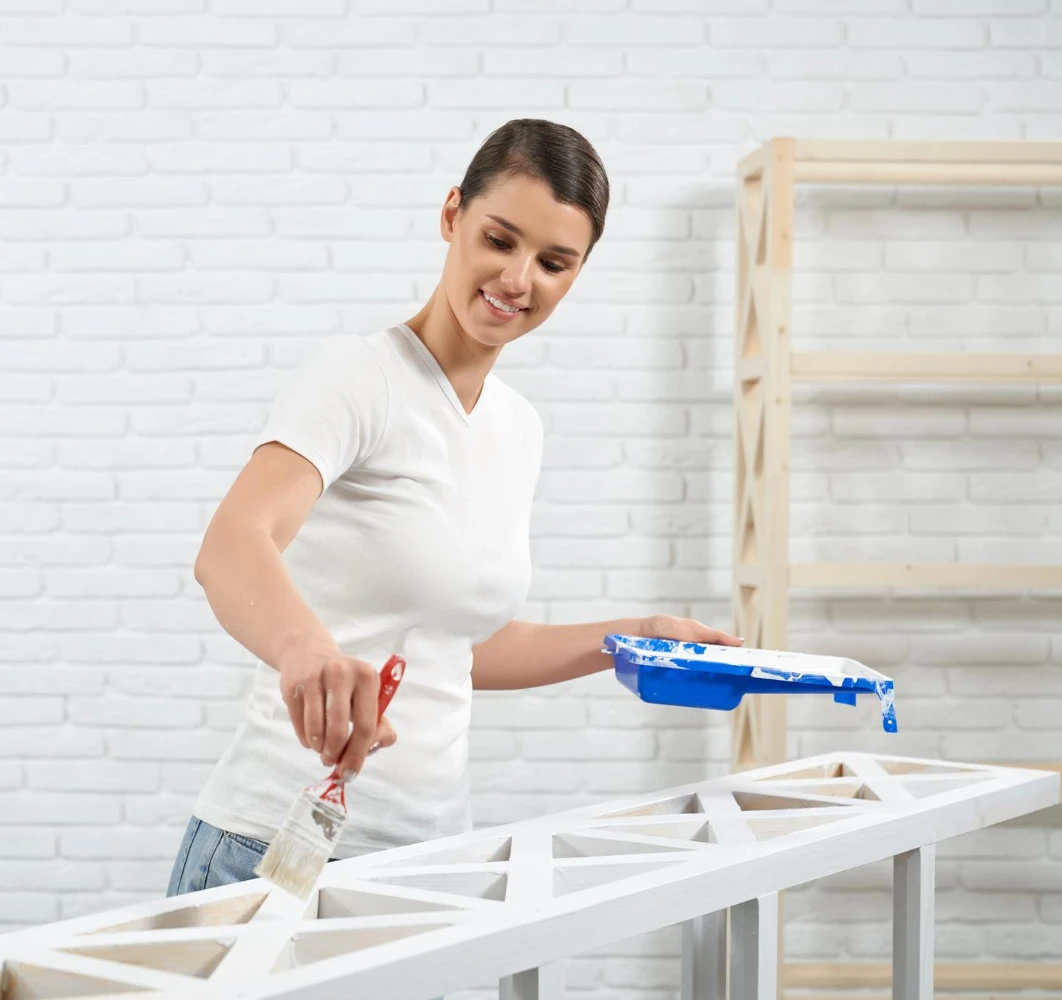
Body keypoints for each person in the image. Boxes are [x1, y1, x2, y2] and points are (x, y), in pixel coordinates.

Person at [167, 118, 742, 897]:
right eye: (499, 240)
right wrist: (305, 652)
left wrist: (633, 637)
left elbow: (457, 644)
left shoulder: (518, 428)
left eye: (554, 262)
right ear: (452, 216)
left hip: (430, 860)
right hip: (270, 847)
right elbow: (235, 541)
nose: (518, 279)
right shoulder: (359, 376)